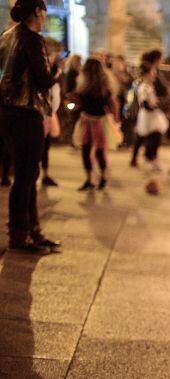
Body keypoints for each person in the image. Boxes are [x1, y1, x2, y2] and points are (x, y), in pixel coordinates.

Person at [0, 0, 62, 253]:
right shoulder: (32, 39)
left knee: (26, 174)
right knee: (26, 176)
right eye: (44, 10)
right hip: (27, 113)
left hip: (6, 113)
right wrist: (57, 68)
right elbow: (44, 80)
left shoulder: (6, 36)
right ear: (38, 11)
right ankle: (20, 235)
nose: (45, 16)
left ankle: (32, 230)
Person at [72, 57, 118, 190]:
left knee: (87, 150)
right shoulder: (104, 86)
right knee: (98, 151)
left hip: (89, 120)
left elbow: (78, 103)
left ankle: (90, 179)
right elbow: (112, 104)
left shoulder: (84, 85)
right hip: (98, 121)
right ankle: (101, 178)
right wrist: (115, 119)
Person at [130, 49, 168, 167]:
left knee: (148, 136)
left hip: (151, 113)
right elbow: (145, 102)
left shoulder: (148, 85)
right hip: (148, 114)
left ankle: (148, 157)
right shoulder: (144, 86)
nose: (154, 75)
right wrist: (154, 105)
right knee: (149, 136)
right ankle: (149, 157)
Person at [40, 37, 62, 187]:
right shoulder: (43, 67)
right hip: (41, 113)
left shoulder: (52, 68)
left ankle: (45, 174)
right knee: (39, 145)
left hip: (49, 112)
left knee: (45, 146)